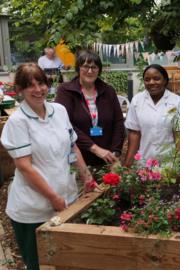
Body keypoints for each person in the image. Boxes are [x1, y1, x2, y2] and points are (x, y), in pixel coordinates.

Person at [0, 63, 94, 270]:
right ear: (19, 90)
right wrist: (53, 198)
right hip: (33, 209)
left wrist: (86, 176)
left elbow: (72, 147)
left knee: (65, 260)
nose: (38, 89)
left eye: (41, 83)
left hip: (66, 200)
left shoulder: (59, 110)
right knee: (38, 264)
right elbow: (25, 167)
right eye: (30, 85)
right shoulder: (18, 122)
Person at [55, 50, 125, 168]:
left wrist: (115, 152)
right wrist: (95, 149)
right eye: (85, 66)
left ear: (99, 70)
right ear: (78, 68)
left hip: (107, 159)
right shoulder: (66, 91)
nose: (90, 71)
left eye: (94, 67)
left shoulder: (108, 91)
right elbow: (66, 125)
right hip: (78, 159)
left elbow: (118, 122)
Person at [124, 64, 180, 167]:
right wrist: (127, 165)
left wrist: (178, 164)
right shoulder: (137, 101)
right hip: (144, 163)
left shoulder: (177, 102)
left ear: (165, 80)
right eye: (147, 79)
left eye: (156, 78)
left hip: (168, 164)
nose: (151, 82)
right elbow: (134, 134)